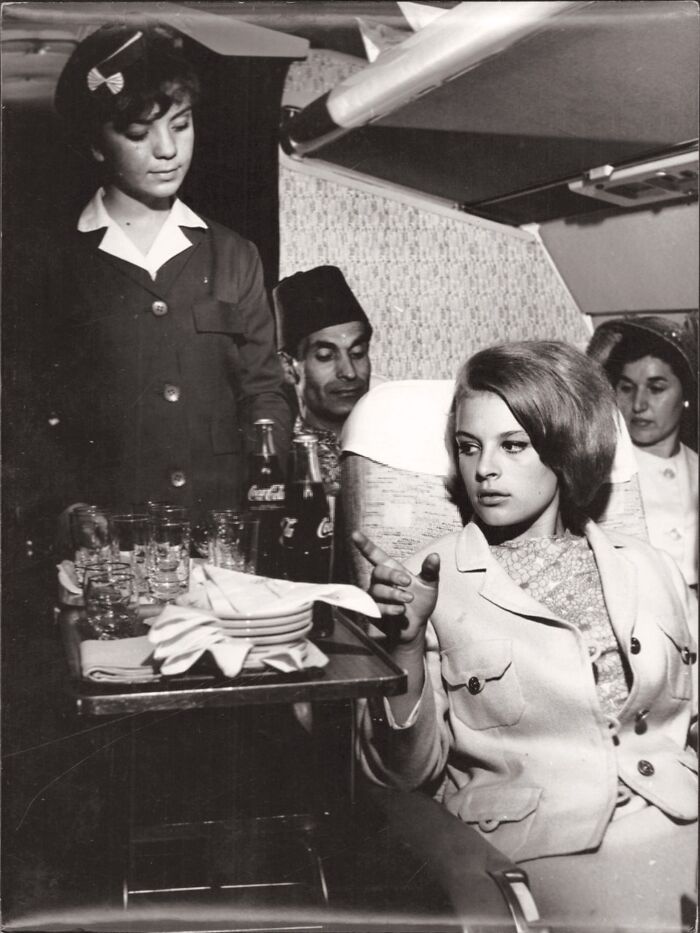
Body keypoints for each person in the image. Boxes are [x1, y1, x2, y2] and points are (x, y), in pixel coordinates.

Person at [353, 341, 697, 931]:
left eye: (513, 446)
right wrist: (403, 646)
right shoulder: (418, 584)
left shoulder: (650, 566)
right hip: (548, 849)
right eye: (469, 447)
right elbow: (397, 779)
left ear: (565, 449)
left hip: (680, 821)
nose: (484, 468)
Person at [8, 23, 291, 552]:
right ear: (96, 145)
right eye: (139, 134)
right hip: (110, 548)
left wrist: (266, 464)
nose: (168, 150)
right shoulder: (46, 267)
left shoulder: (234, 256)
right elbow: (21, 413)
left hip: (223, 540)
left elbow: (263, 390)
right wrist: (63, 505)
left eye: (181, 125)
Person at [588, 315, 698, 589]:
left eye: (656, 388)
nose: (639, 404)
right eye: (626, 388)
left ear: (685, 395)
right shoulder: (600, 471)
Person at [273, 265, 373, 497]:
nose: (348, 372)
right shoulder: (277, 460)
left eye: (357, 353)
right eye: (325, 356)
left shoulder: (395, 444)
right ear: (289, 367)